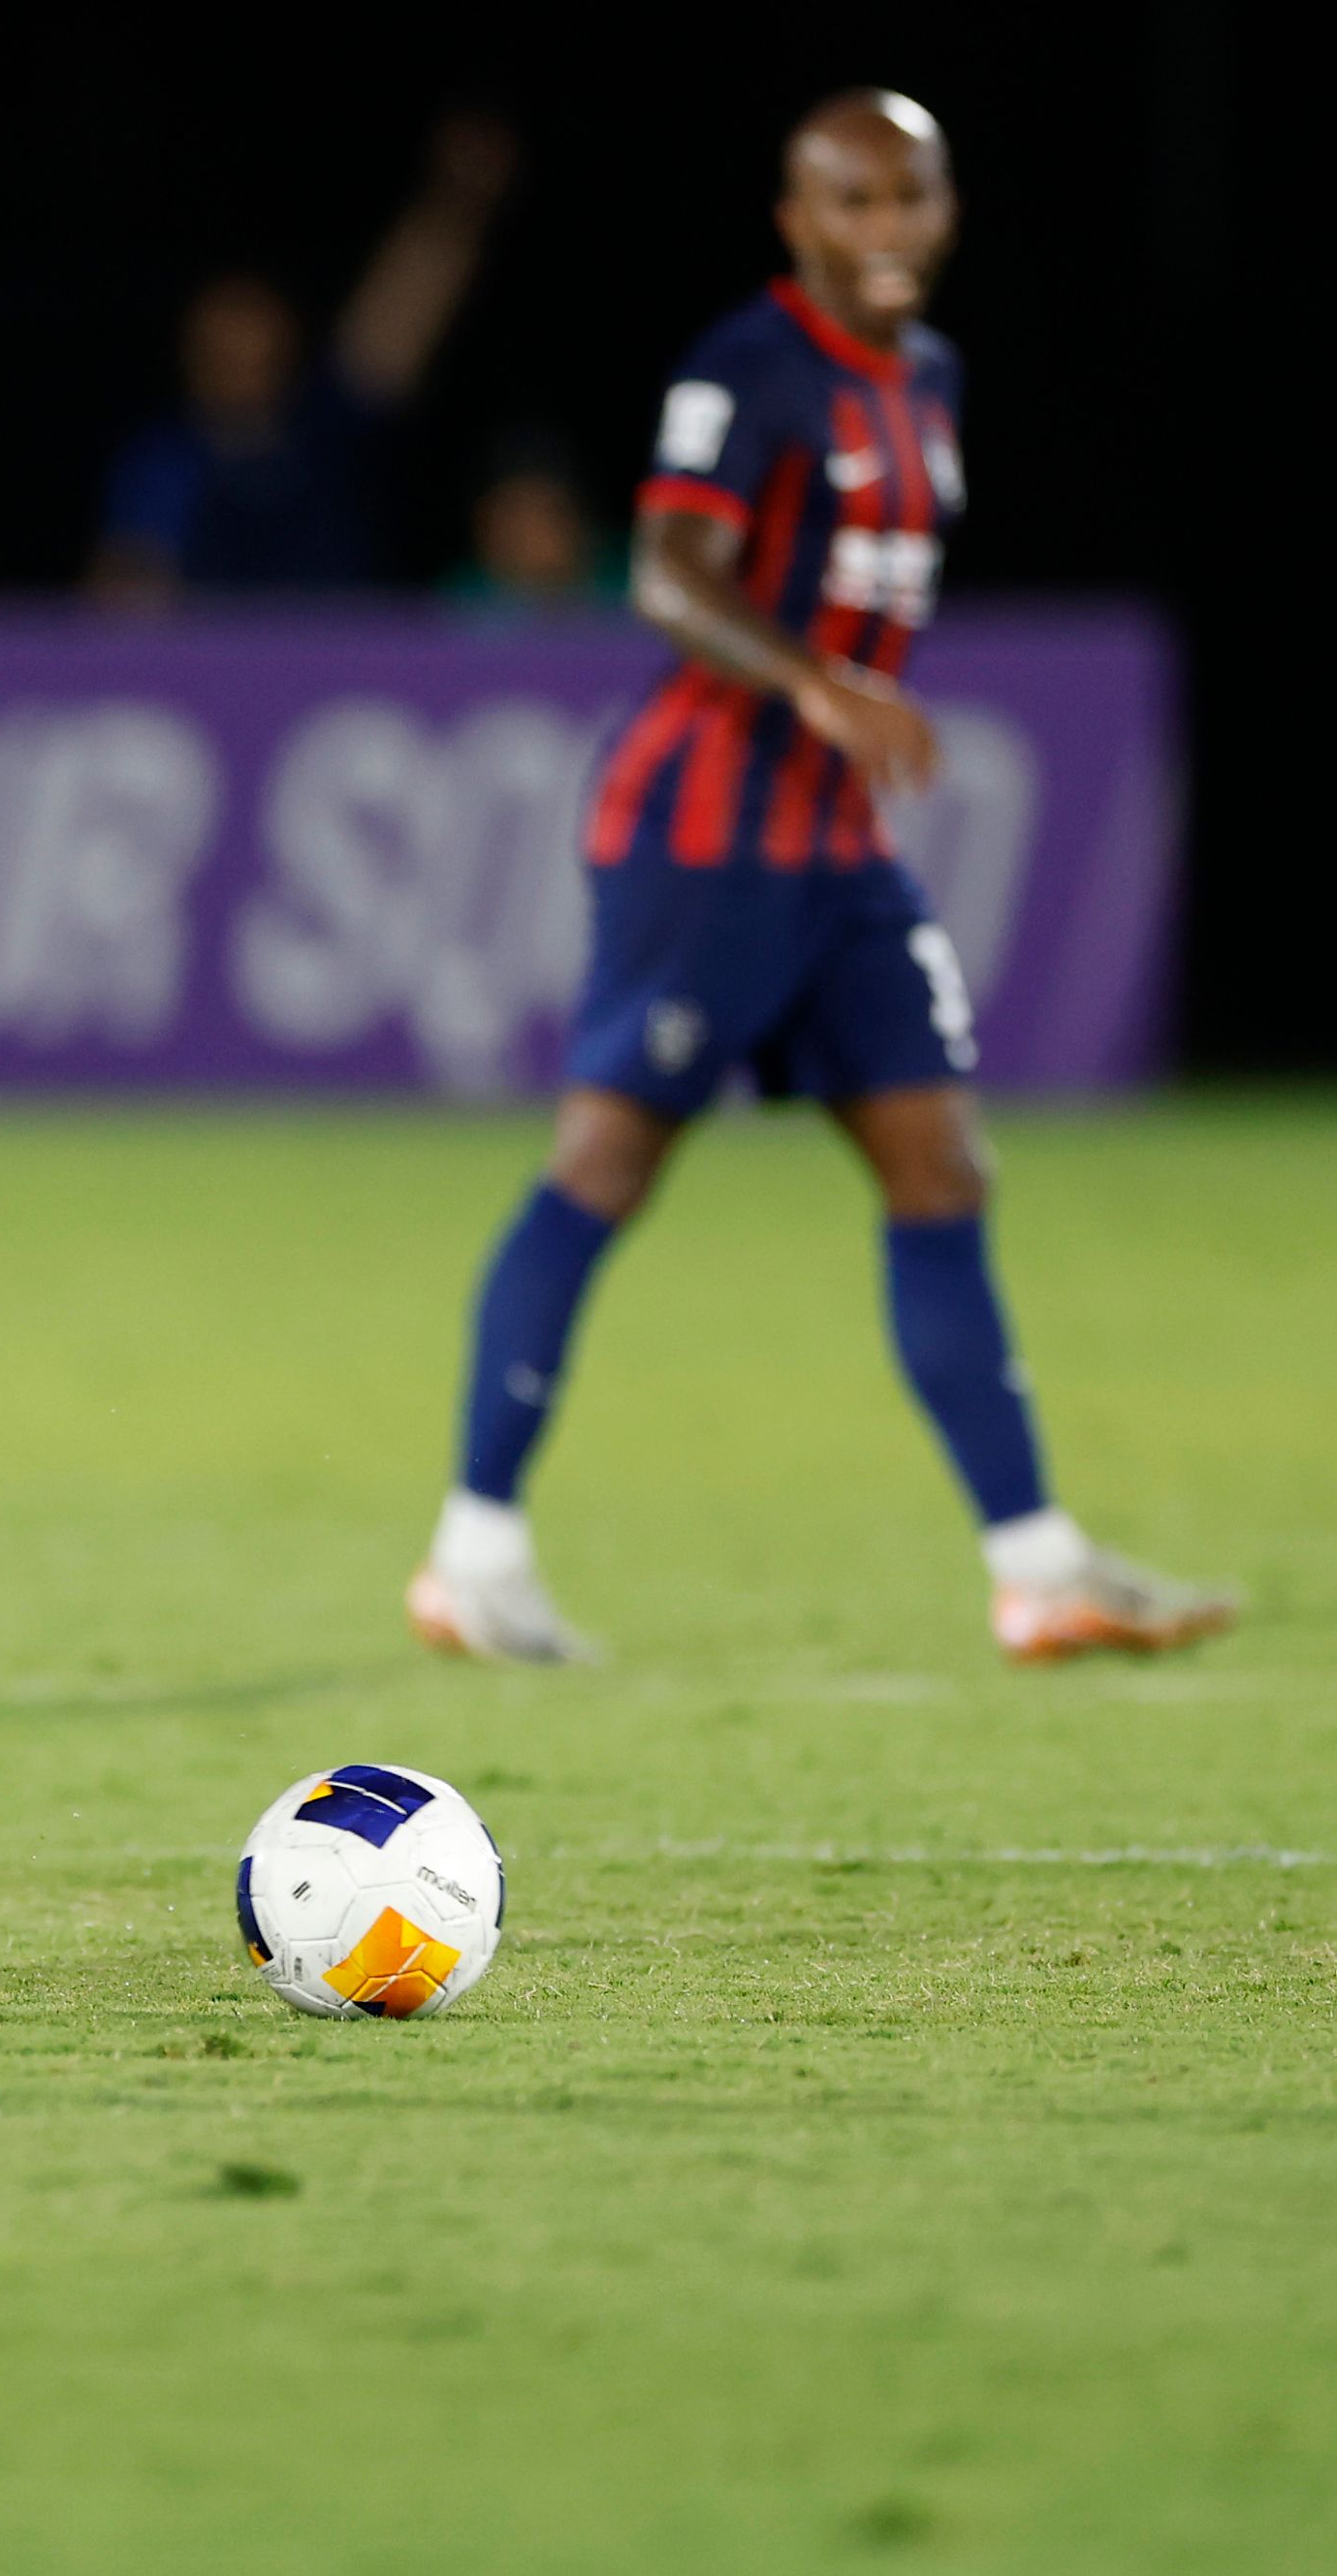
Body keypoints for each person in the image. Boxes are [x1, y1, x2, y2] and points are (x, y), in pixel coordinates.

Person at [407, 90, 1232, 1668]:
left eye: (907, 199)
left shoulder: (926, 376)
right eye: (847, 203)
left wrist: (833, 715)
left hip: (836, 849)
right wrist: (809, 683)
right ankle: (470, 1551)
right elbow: (665, 568)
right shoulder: (748, 367)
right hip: (702, 832)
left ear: (941, 208)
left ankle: (1032, 1561)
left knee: (941, 1169)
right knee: (600, 1165)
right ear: (794, 219)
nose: (882, 232)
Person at [89, 113, 515, 604]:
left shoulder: (327, 429)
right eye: (223, 352)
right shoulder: (163, 462)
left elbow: (395, 326)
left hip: (351, 667)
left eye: (258, 350)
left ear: (286, 351)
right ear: (193, 356)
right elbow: (125, 596)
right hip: (216, 672)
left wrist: (457, 204)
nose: (242, 364)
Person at [438, 431, 622, 621]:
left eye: (547, 512)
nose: (531, 532)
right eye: (513, 512)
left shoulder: (629, 596)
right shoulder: (457, 606)